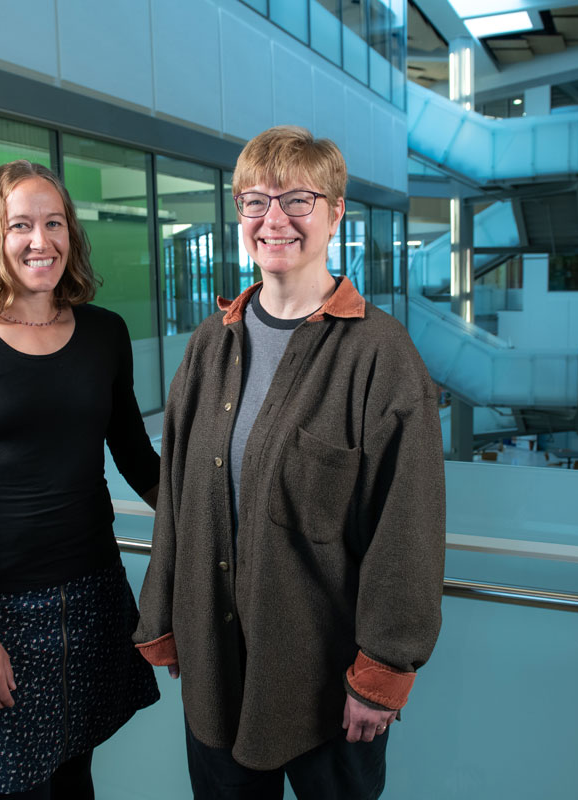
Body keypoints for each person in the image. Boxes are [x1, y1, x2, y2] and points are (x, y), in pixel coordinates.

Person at [134, 125, 446, 800]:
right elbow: (179, 498)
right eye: (254, 202)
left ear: (335, 213)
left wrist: (382, 674)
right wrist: (165, 616)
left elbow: (408, 533)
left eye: (297, 200)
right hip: (218, 676)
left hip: (328, 688)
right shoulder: (207, 348)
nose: (272, 220)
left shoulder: (380, 357)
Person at [0, 160, 159, 799]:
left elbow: (136, 457)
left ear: (71, 234)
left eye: (54, 223)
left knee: (76, 776)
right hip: (1, 612)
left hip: (94, 591)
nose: (40, 241)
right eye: (20, 225)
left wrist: (213, 528)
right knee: (16, 787)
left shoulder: (104, 332)